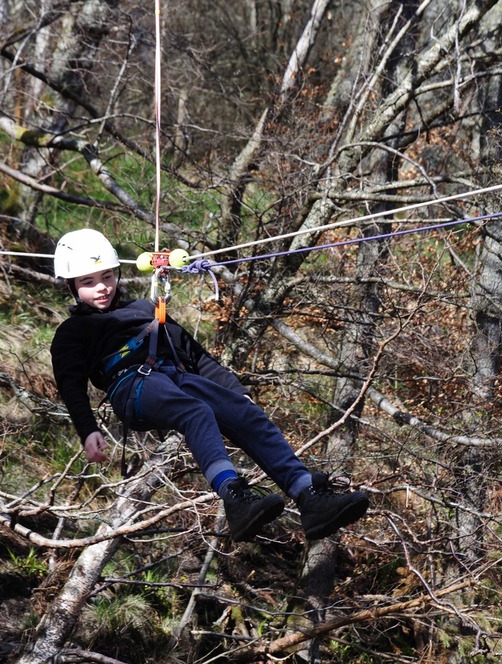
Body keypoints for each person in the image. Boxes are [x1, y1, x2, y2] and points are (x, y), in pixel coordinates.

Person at [51, 228, 369, 542]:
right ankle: (233, 496)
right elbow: (70, 383)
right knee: (195, 411)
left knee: (243, 412)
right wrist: (87, 429)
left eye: (107, 276)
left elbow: (195, 355)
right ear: (71, 286)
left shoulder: (146, 310)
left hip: (174, 377)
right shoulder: (73, 330)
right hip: (131, 386)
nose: (102, 287)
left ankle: (307, 494)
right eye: (88, 282)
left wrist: (237, 391)